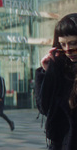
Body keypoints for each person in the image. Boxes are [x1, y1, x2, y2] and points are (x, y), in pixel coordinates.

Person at [35, 13, 77, 149]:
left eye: (73, 43)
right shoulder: (60, 67)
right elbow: (43, 107)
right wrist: (46, 72)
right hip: (60, 143)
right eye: (63, 44)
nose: (67, 49)